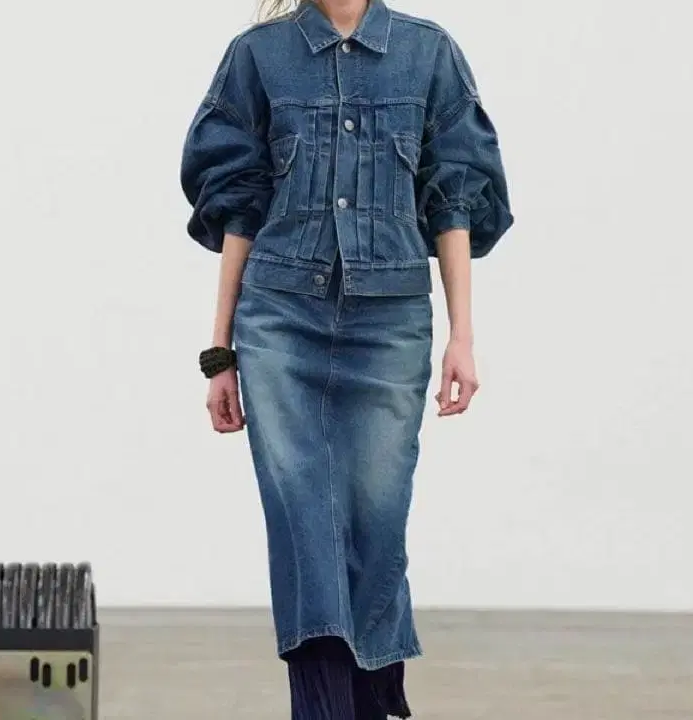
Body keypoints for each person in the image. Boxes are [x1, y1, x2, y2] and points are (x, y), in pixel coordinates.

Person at [181, 0, 513, 716]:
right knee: (302, 526)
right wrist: (220, 352)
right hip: (278, 322)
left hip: (390, 325)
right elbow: (238, 206)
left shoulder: (429, 53)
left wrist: (463, 335)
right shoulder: (258, 56)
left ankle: (363, 701)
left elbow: (454, 199)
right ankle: (324, 706)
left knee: (376, 523)